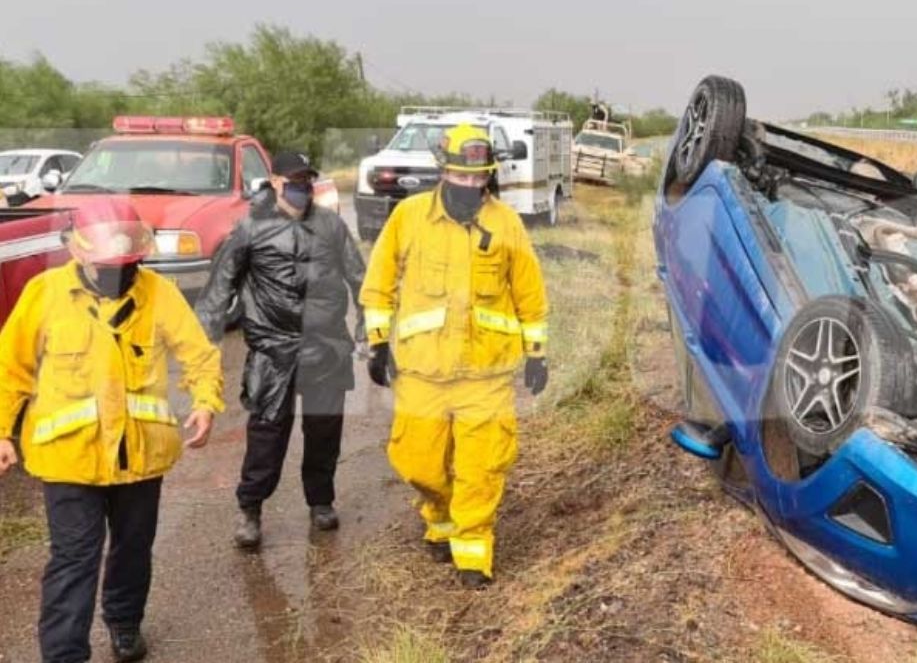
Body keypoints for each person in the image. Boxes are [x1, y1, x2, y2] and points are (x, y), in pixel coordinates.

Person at [0, 198, 223, 663]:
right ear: (77, 252)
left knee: (132, 549)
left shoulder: (158, 293)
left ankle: (124, 623)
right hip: (69, 459)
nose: (119, 274)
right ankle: (64, 655)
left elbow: (198, 353)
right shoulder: (45, 293)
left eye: (128, 264)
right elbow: (10, 368)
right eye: (108, 265)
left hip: (141, 457)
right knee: (74, 558)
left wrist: (205, 402)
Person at [360, 123, 548, 588]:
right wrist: (379, 343)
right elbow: (379, 283)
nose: (469, 185)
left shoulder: (506, 222)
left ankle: (473, 552)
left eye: (478, 177)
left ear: (488, 175)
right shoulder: (408, 217)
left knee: (480, 467)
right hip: (422, 370)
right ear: (443, 170)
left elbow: (529, 290)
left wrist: (537, 353)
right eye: (460, 177)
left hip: (487, 373)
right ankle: (439, 516)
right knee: (418, 462)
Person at [196, 151, 366, 549]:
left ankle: (321, 501)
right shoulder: (251, 228)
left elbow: (361, 279)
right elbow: (221, 285)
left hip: (325, 346)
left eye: (307, 180)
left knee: (324, 431)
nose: (301, 187)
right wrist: (206, 346)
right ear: (274, 182)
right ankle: (250, 508)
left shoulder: (331, 226)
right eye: (293, 180)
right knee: (267, 435)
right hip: (273, 350)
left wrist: (370, 333)